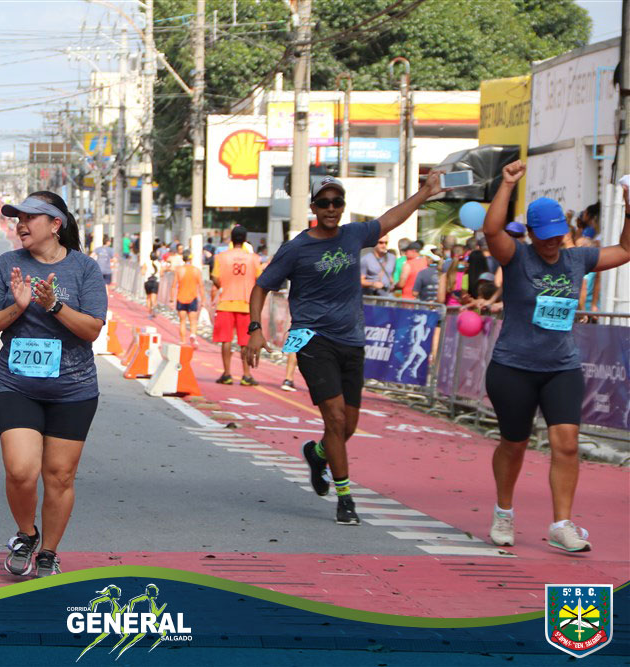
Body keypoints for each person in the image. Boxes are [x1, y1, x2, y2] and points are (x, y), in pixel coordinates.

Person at [245, 173, 447, 526]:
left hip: (351, 340)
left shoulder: (354, 235)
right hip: (311, 339)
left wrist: (424, 193)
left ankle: (317, 453)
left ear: (342, 206)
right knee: (335, 419)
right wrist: (255, 329)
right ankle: (345, 498)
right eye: (324, 203)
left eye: (336, 202)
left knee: (348, 425)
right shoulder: (296, 248)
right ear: (313, 207)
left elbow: (391, 218)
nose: (331, 208)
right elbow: (261, 286)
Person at [483, 161, 629, 553]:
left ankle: (562, 524)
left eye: (557, 234)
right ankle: (503, 512)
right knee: (514, 444)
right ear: (531, 233)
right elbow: (492, 230)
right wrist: (506, 184)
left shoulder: (576, 260)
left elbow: (626, 250)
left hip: (561, 367)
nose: (551, 242)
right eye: (543, 236)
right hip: (513, 367)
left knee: (566, 444)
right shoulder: (516, 257)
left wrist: (629, 209)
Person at [0, 191, 107, 578]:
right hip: (16, 384)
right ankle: (27, 534)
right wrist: (17, 307)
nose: (21, 224)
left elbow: (92, 329)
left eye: (30, 217)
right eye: (17, 218)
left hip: (73, 388)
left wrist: (54, 305)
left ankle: (49, 552)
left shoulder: (84, 268)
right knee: (21, 471)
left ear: (55, 224)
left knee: (59, 476)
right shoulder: (8, 264)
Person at [212, 225, 262, 386]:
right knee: (245, 342)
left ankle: (227, 374)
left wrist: (223, 285)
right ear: (245, 239)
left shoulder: (221, 257)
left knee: (226, 340)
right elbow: (259, 279)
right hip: (246, 305)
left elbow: (215, 278)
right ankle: (246, 375)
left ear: (232, 239)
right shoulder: (254, 258)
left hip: (225, 303)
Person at [171, 249, 203, 346]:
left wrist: (172, 299)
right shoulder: (196, 270)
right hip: (192, 298)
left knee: (182, 321)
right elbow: (201, 286)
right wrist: (203, 299)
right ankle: (193, 335)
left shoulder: (179, 270)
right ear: (191, 259)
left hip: (181, 298)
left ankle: (183, 340)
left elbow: (174, 285)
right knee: (193, 321)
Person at [143, 247, 160, 317]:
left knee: (148, 297)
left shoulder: (146, 263)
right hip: (156, 282)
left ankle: (149, 311)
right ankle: (154, 308)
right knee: (154, 297)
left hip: (147, 281)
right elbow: (161, 273)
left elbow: (142, 272)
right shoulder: (159, 264)